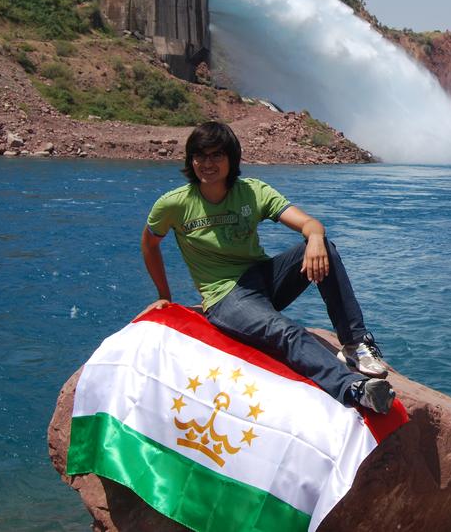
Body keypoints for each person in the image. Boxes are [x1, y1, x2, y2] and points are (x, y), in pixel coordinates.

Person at [140, 121, 395, 413]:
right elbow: (149, 243)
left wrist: (314, 236)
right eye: (200, 156)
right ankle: (354, 389)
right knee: (286, 332)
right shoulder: (174, 204)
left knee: (325, 246)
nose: (207, 164)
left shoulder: (253, 191)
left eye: (216, 156)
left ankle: (354, 344)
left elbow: (308, 223)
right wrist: (164, 295)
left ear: (231, 159)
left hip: (263, 281)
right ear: (191, 160)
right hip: (226, 297)